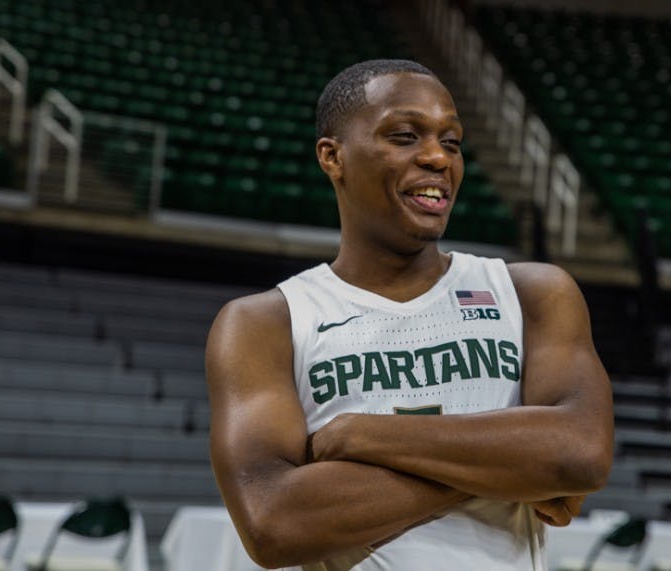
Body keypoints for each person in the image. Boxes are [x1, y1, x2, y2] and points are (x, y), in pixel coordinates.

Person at [206, 59, 614, 571]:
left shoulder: (532, 293)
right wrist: (511, 465)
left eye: (452, 141)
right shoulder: (264, 324)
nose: (437, 157)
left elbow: (579, 452)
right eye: (404, 136)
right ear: (333, 157)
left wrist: (361, 436)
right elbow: (274, 524)